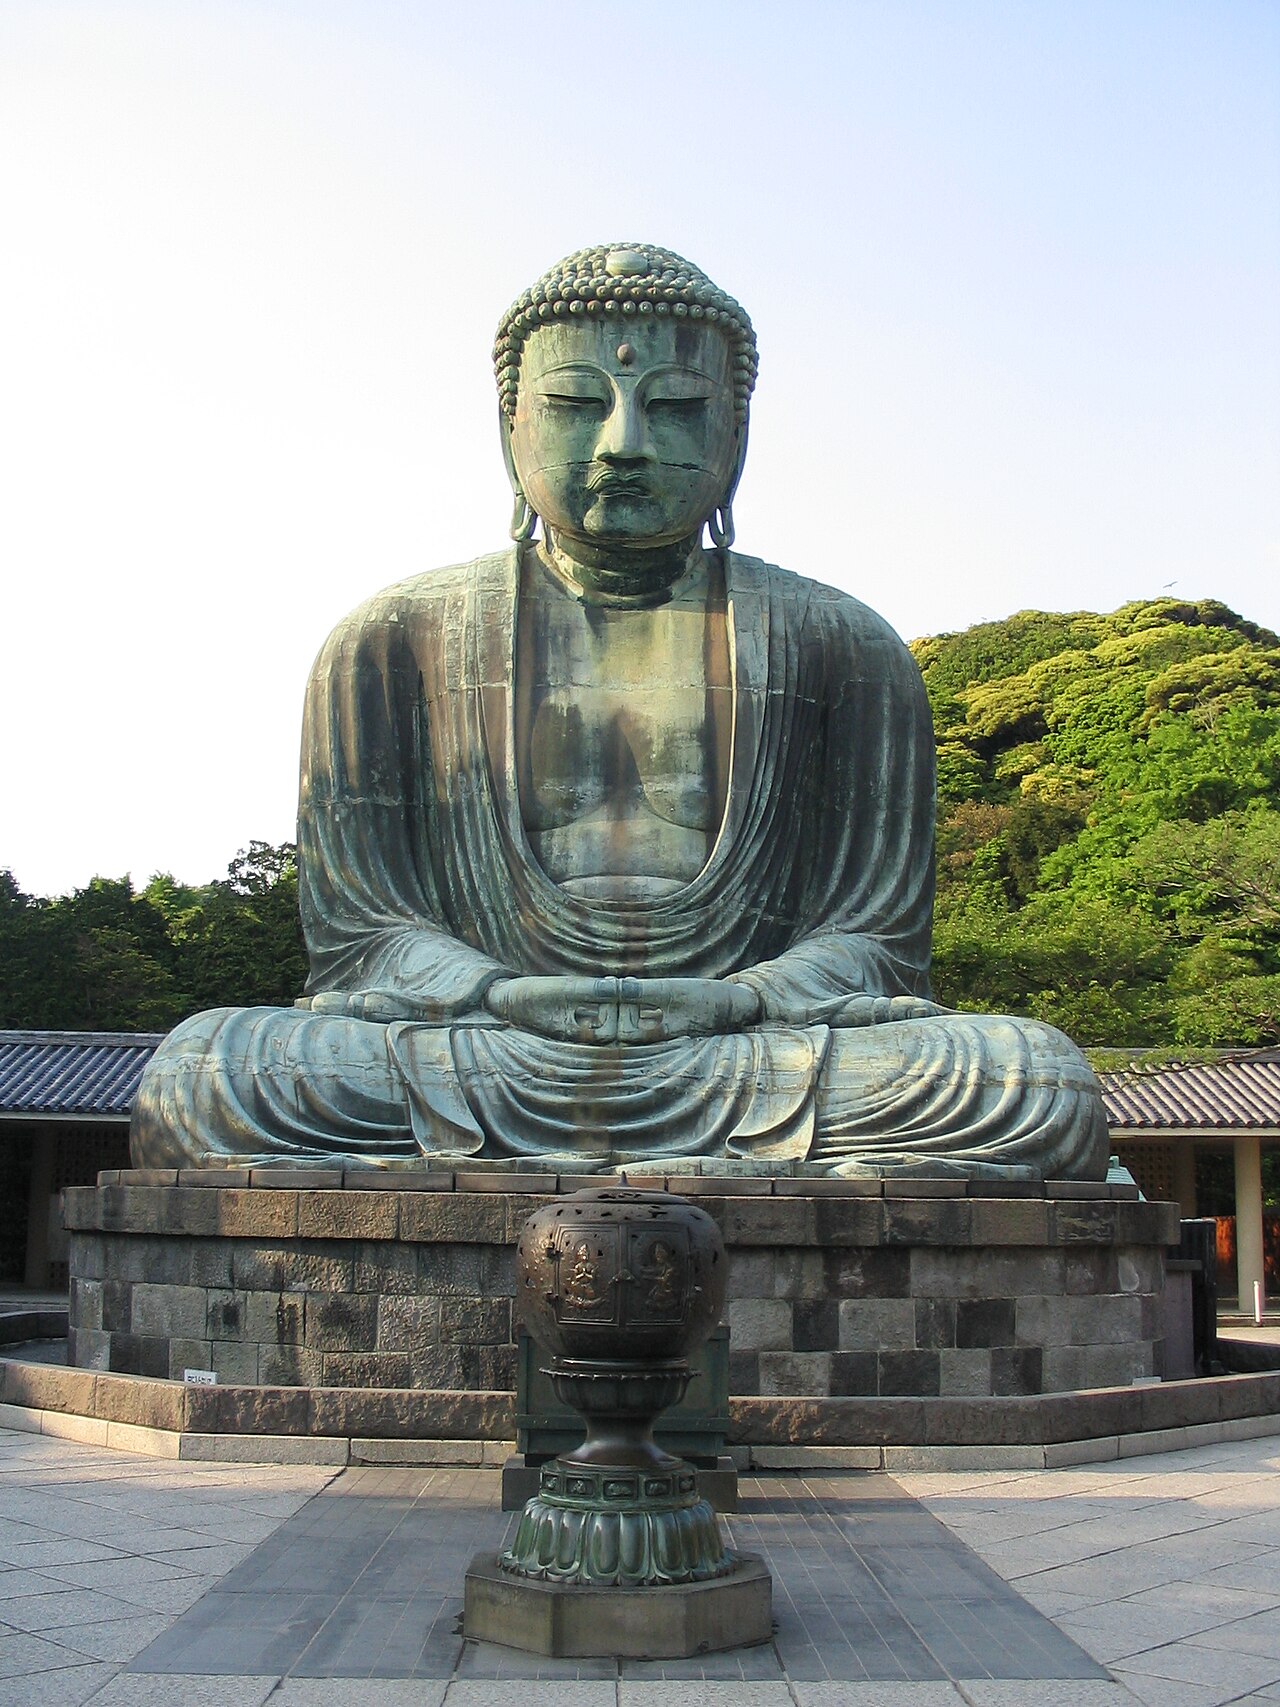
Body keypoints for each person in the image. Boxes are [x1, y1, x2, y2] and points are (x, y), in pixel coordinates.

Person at [131, 243, 1107, 1179]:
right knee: (209, 1075)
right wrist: (498, 992)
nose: (624, 443)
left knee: (1030, 1082)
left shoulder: (843, 646)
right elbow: (365, 932)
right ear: (509, 425)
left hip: (752, 1050)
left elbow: (875, 944)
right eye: (574, 403)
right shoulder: (391, 641)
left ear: (736, 434)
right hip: (484, 1045)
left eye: (676, 407)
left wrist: (740, 999)